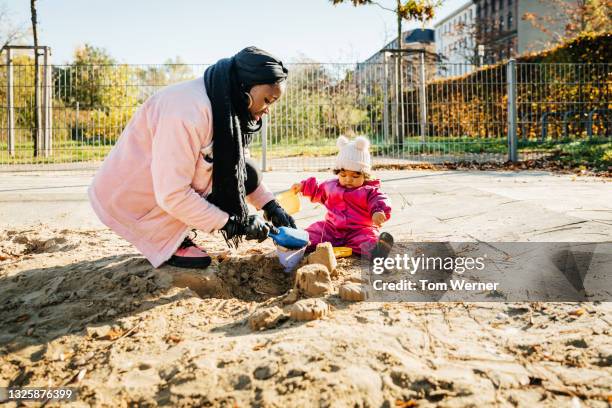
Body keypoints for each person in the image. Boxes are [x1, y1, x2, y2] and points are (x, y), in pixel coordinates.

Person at [88, 47, 296, 269]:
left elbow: (239, 168)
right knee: (197, 193)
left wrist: (271, 205)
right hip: (132, 199)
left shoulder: (224, 102)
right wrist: (235, 224)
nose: (267, 111)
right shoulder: (186, 113)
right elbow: (172, 193)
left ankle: (175, 231)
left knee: (248, 170)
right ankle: (164, 237)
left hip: (163, 188)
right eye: (267, 100)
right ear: (245, 87)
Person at [291, 136, 394, 260]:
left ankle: (379, 250)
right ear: (338, 172)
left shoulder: (368, 191)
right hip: (332, 229)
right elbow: (318, 189)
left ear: (365, 175)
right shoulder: (331, 186)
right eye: (343, 174)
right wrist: (303, 186)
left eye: (355, 176)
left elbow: (379, 199)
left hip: (360, 230)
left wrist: (378, 211)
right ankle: (298, 240)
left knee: (367, 240)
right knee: (314, 233)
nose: (348, 179)